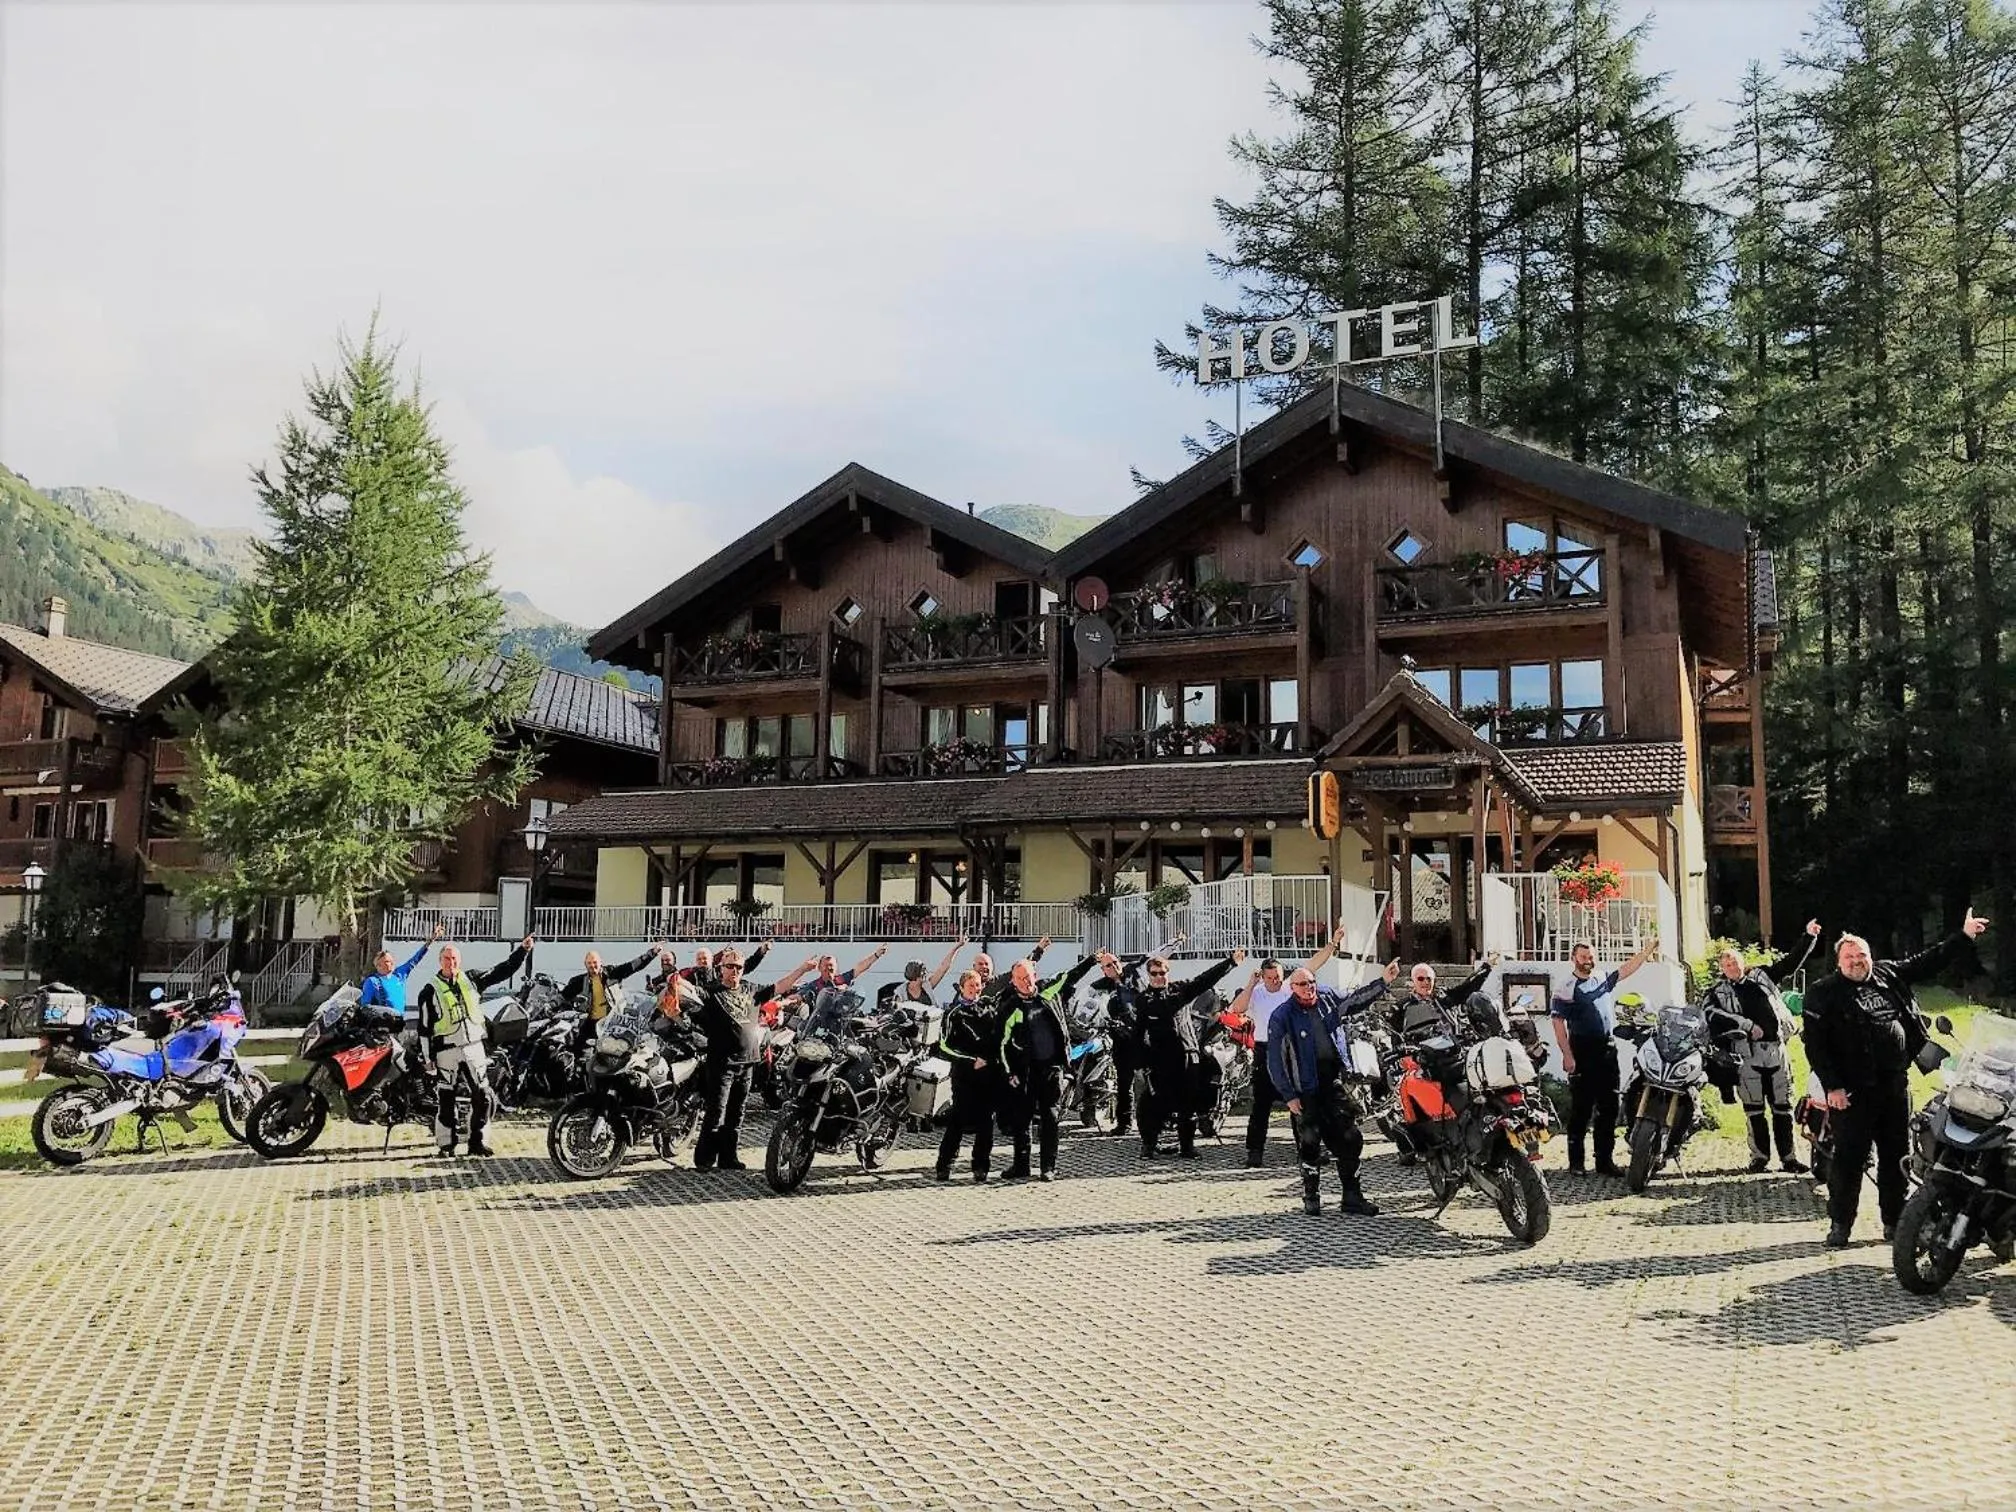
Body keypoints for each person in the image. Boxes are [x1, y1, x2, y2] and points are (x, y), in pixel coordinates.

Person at [1803, 909, 1989, 1248]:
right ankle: (1840, 1224)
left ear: (1870, 956)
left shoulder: (1888, 974)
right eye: (1849, 957)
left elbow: (1927, 961)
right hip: (1851, 1092)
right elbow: (1815, 1046)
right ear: (1838, 961)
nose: (1857, 961)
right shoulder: (1823, 992)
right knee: (1848, 1161)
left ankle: (1894, 1223)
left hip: (1893, 1085)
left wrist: (1963, 936)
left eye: (1861, 955)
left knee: (1896, 1157)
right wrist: (1833, 1087)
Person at [1267, 961, 1404, 1215]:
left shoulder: (1328, 997)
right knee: (1309, 1144)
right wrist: (1288, 1096)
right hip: (1305, 1088)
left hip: (1333, 1082)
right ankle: (1311, 1196)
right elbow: (1274, 1060)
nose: (1309, 988)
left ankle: (1351, 1197)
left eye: (1311, 983)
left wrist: (1383, 982)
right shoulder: (1282, 1016)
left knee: (1351, 1139)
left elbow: (1355, 1000)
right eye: (1302, 985)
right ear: (1292, 988)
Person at [1698, 920, 1822, 1174]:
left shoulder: (1762, 976)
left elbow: (1791, 963)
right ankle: (1759, 1158)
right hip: (1745, 1055)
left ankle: (1789, 1158)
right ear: (1722, 968)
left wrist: (1808, 937)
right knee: (1754, 1109)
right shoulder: (1717, 992)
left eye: (1735, 961)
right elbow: (1709, 1013)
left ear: (1743, 962)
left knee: (1783, 1107)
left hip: (1776, 1049)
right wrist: (1744, 1023)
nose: (1732, 967)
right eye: (1727, 964)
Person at [1227, 922, 1351, 1168]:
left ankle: (1306, 1150)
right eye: (1270, 978)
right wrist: (1252, 983)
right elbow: (1236, 1009)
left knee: (1300, 1105)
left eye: (1278, 977)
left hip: (1295, 1052)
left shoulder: (1290, 987)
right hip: (1264, 1052)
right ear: (1263, 976)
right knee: (1261, 1105)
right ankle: (1254, 1152)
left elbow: (1315, 964)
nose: (1274, 982)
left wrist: (1334, 943)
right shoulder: (1257, 992)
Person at [686, 947, 813, 1171]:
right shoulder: (711, 992)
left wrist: (802, 969)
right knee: (717, 1111)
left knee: (737, 1112)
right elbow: (687, 992)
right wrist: (673, 982)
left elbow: (781, 986)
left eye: (738, 967)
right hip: (722, 1063)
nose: (734, 970)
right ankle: (705, 1159)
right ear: (721, 968)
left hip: (747, 1062)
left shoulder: (752, 990)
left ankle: (728, 1158)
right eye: (729, 966)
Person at [1549, 936, 1659, 1177]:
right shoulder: (1565, 986)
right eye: (1584, 957)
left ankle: (1604, 1161)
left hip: (1607, 1049)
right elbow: (1558, 1024)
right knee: (1581, 1108)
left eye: (1591, 957)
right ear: (1574, 959)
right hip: (1582, 1049)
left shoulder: (1601, 978)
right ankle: (1576, 1163)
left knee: (1609, 1107)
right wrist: (1567, 1056)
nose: (1589, 961)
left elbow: (1626, 969)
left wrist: (1646, 951)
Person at [413, 936, 532, 1157]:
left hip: (474, 1046)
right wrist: (427, 1058)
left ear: (460, 960)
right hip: (446, 1050)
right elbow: (424, 1028)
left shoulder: (472, 979)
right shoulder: (429, 990)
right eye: (447, 959)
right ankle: (446, 1145)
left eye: (454, 958)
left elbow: (502, 970)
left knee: (484, 1095)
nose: (451, 963)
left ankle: (477, 1142)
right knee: (446, 1098)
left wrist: (522, 951)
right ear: (440, 961)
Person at [1129, 950, 1246, 1160]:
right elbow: (1138, 1033)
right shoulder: (1144, 1000)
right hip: (1159, 1059)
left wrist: (1230, 963)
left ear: (1168, 972)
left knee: (1188, 1104)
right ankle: (1148, 1145)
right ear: (1149, 975)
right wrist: (1138, 1065)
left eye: (1162, 972)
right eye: (1154, 973)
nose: (1159, 977)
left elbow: (1204, 980)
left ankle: (1187, 1147)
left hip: (1186, 1056)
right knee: (1150, 1104)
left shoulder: (1180, 990)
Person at [996, 954, 1102, 1181]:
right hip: (1024, 1071)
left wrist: (1092, 960)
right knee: (1021, 1120)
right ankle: (1021, 1166)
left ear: (1035, 976)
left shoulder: (1048, 990)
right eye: (1020, 978)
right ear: (1013, 982)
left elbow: (1070, 976)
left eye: (1028, 977)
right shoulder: (1010, 1008)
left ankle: (1048, 1168)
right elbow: (1001, 1044)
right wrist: (1009, 1073)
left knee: (1050, 1118)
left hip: (1052, 1067)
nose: (1026, 982)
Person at [935, 967, 998, 1183]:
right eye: (971, 986)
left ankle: (981, 1166)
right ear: (962, 988)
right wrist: (971, 1060)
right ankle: (944, 1165)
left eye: (978, 985)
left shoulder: (989, 1008)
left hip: (988, 1076)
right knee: (958, 1121)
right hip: (964, 1076)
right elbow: (944, 1047)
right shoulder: (953, 1014)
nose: (975, 989)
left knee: (986, 1123)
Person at [359, 922, 445, 1070]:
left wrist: (431, 940)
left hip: (400, 1024)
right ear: (378, 965)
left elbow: (415, 959)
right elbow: (365, 1005)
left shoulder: (399, 975)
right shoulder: (373, 981)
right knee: (386, 1062)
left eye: (391, 962)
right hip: (384, 1027)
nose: (390, 964)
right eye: (386, 962)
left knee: (403, 1059)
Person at [561, 944, 668, 1027]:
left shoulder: (612, 973)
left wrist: (652, 953)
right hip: (592, 1021)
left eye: (595, 963)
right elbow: (563, 996)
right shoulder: (580, 981)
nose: (593, 966)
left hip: (615, 1019)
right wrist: (550, 1004)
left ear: (601, 963)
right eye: (589, 964)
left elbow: (633, 966)